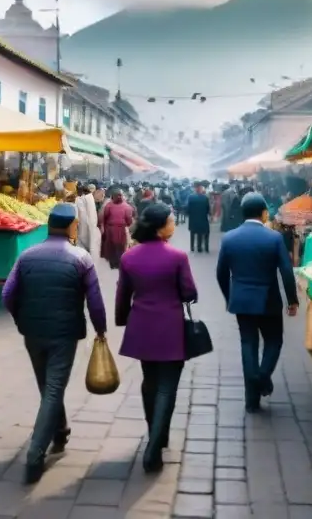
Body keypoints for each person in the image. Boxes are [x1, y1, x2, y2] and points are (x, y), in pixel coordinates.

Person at [2, 203, 107, 484]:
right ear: (72, 226)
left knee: (47, 386)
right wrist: (101, 330)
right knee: (53, 388)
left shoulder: (27, 256)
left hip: (32, 332)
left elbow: (7, 294)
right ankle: (35, 454)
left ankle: (60, 431)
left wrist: (20, 319)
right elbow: (95, 300)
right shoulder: (81, 258)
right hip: (64, 334)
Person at [115, 202, 198, 473]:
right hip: (171, 328)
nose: (174, 224)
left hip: (141, 326)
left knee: (149, 382)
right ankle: (155, 444)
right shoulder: (177, 257)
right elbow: (189, 292)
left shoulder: (129, 257)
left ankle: (156, 433)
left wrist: (121, 319)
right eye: (171, 221)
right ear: (161, 227)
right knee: (167, 387)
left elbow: (122, 295)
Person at [216, 192, 299, 412]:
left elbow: (221, 273)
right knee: (273, 341)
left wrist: (228, 297)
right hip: (269, 301)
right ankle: (261, 377)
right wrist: (292, 300)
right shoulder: (273, 238)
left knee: (248, 344)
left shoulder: (230, 238)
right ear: (264, 213)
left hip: (241, 300)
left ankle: (251, 401)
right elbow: (286, 271)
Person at [100, 187, 134, 269]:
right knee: (120, 246)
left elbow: (105, 217)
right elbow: (129, 220)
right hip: (121, 229)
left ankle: (113, 263)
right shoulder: (127, 207)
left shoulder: (108, 205)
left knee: (112, 246)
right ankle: (119, 263)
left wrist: (104, 227)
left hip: (110, 229)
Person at [75, 184, 101, 261]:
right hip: (91, 222)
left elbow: (80, 213)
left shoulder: (79, 199)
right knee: (90, 238)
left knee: (83, 236)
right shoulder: (90, 198)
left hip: (83, 222)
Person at [186, 182, 212, 253]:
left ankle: (192, 247)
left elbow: (187, 209)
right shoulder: (205, 198)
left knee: (192, 233)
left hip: (193, 220)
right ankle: (200, 248)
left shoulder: (190, 197)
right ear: (201, 189)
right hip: (203, 220)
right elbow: (208, 209)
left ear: (195, 189)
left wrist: (190, 214)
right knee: (202, 232)